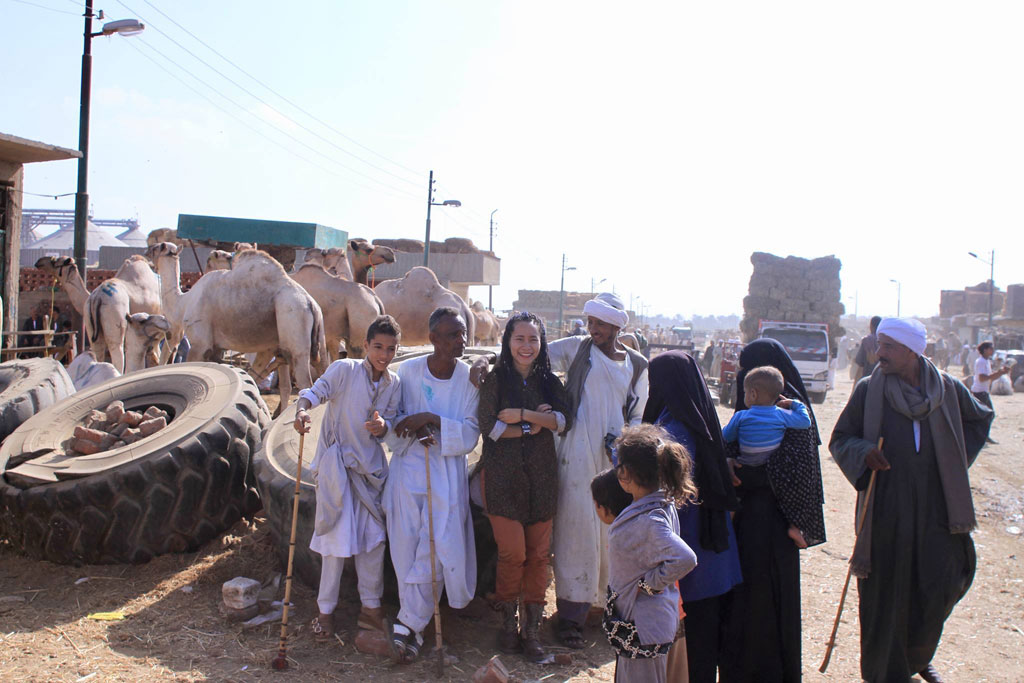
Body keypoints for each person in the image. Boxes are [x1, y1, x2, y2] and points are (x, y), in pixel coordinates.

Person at [830, 318, 993, 683]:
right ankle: (886, 671)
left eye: (888, 346)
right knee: (885, 592)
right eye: (878, 345)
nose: (878, 353)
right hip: (887, 506)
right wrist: (864, 452)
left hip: (937, 509)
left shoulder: (948, 389)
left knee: (939, 584)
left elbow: (980, 418)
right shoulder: (869, 390)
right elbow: (841, 438)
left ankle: (917, 656)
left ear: (911, 351)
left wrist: (951, 461)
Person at [545, 292, 649, 648]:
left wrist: (624, 442)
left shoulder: (636, 365)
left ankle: (603, 611)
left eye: (601, 324)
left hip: (614, 461)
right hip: (574, 454)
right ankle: (570, 617)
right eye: (591, 322)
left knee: (609, 536)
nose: (594, 329)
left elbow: (637, 414)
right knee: (574, 533)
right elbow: (532, 353)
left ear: (617, 326)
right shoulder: (576, 348)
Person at [293, 315, 402, 643]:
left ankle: (371, 611)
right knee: (335, 543)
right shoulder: (345, 370)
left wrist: (382, 427)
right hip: (337, 471)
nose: (383, 354)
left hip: (370, 474)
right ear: (366, 345)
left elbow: (392, 428)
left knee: (373, 542)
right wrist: (301, 410)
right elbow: (316, 392)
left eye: (391, 349)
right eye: (378, 347)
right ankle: (324, 612)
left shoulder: (393, 384)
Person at [723, 338, 826, 683]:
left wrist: (741, 472)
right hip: (749, 523)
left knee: (769, 601)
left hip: (775, 525)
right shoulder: (762, 414)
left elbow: (791, 473)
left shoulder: (792, 415)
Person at [385, 307, 481, 664]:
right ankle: (417, 628)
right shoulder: (408, 372)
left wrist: (432, 419)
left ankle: (407, 623)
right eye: (453, 334)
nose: (462, 341)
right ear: (434, 339)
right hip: (408, 470)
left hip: (446, 474)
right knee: (407, 548)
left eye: (463, 333)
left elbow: (470, 433)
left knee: (437, 546)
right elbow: (394, 418)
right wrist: (413, 426)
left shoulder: (469, 380)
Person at [476, 312, 571, 661]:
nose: (526, 346)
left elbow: (563, 421)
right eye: (520, 339)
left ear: (542, 342)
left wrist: (523, 415)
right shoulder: (496, 380)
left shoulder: (551, 382)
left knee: (538, 557)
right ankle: (508, 623)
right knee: (512, 553)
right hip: (502, 478)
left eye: (533, 339)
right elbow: (491, 429)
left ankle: (531, 629)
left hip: (542, 479)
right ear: (508, 341)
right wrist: (537, 424)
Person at [643, 351, 741, 683]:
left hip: (688, 555)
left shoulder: (673, 431)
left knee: (690, 649)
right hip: (713, 556)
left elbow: (648, 476)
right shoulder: (699, 419)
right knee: (704, 644)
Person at [598, 424, 698, 683]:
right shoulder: (658, 503)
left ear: (626, 473)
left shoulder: (650, 520)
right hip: (643, 623)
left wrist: (650, 583)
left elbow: (686, 558)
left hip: (643, 626)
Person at [722, 366, 813, 548]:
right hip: (773, 474)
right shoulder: (782, 415)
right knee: (789, 499)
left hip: (744, 471)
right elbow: (805, 422)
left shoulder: (741, 416)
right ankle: (795, 528)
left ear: (753, 394)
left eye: (746, 392)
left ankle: (726, 529)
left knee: (734, 497)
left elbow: (725, 437)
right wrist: (795, 404)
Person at [971, 341, 1010, 444]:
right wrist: (999, 373)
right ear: (985, 350)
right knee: (988, 414)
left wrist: (1001, 373)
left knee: (986, 415)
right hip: (980, 392)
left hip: (983, 391)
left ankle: (983, 436)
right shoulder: (981, 362)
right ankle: (982, 436)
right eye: (990, 348)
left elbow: (989, 378)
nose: (992, 351)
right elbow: (982, 378)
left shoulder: (986, 361)